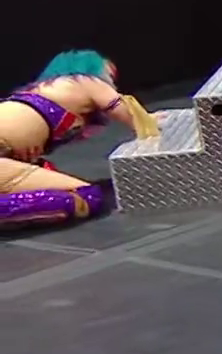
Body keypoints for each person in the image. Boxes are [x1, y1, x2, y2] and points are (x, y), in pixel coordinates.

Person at [1, 50, 161, 229]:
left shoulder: (37, 91)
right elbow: (121, 108)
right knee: (85, 196)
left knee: (44, 170)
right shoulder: (84, 81)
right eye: (109, 73)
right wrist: (149, 122)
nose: (112, 80)